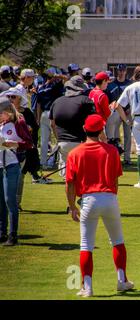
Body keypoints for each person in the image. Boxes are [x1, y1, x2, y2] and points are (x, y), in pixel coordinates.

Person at [66, 114, 134, 297]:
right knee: (117, 241)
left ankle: (87, 287)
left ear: (84, 129)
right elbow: (115, 180)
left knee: (86, 244)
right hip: (109, 197)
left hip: (88, 200)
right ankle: (122, 280)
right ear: (101, 130)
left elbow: (70, 184)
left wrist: (72, 206)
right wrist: (112, 198)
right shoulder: (111, 151)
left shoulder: (75, 153)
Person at [49, 76, 96, 179]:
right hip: (80, 143)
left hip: (62, 143)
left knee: (67, 178)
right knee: (81, 176)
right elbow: (93, 122)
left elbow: (52, 124)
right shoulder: (86, 101)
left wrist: (59, 139)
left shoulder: (57, 101)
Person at [0, 97, 31, 246]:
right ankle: (2, 232)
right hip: (0, 164)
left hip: (12, 164)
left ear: (7, 111)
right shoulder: (2, 123)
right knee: (1, 201)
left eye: (1, 114)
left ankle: (13, 235)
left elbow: (29, 143)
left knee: (9, 200)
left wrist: (15, 144)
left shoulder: (19, 122)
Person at [37, 68, 65, 169]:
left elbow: (38, 105)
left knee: (44, 141)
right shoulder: (55, 86)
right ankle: (54, 161)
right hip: (53, 115)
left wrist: (38, 118)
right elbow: (66, 79)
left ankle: (43, 162)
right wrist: (58, 75)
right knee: (59, 139)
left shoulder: (41, 88)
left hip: (43, 115)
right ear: (53, 77)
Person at [105, 64, 133, 165]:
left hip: (127, 111)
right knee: (114, 135)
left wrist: (130, 109)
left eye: (123, 70)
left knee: (128, 135)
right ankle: (115, 157)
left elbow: (132, 98)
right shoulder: (112, 84)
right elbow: (109, 100)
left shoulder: (130, 83)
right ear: (117, 71)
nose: (121, 72)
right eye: (119, 70)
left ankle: (127, 158)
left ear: (126, 71)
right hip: (116, 112)